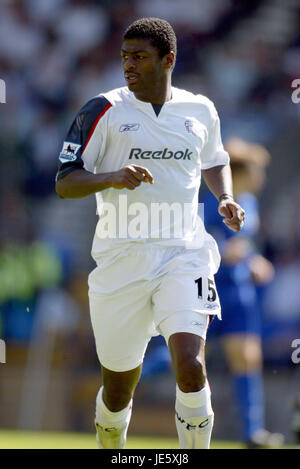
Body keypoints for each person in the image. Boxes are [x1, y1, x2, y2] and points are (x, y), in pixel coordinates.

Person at [55, 17, 244, 449]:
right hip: (121, 258)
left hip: (184, 252)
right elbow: (64, 182)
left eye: (139, 57)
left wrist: (225, 197)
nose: (129, 66)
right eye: (125, 57)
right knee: (119, 388)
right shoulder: (101, 110)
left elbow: (215, 159)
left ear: (169, 59)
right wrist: (112, 177)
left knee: (191, 365)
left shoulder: (200, 110)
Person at [204, 138, 284, 448]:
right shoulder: (212, 204)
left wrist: (253, 260)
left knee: (248, 358)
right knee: (181, 357)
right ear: (238, 173)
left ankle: (252, 433)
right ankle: (126, 385)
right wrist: (225, 251)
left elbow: (245, 246)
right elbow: (196, 242)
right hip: (212, 292)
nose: (261, 178)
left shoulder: (249, 203)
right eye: (256, 171)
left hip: (239, 295)